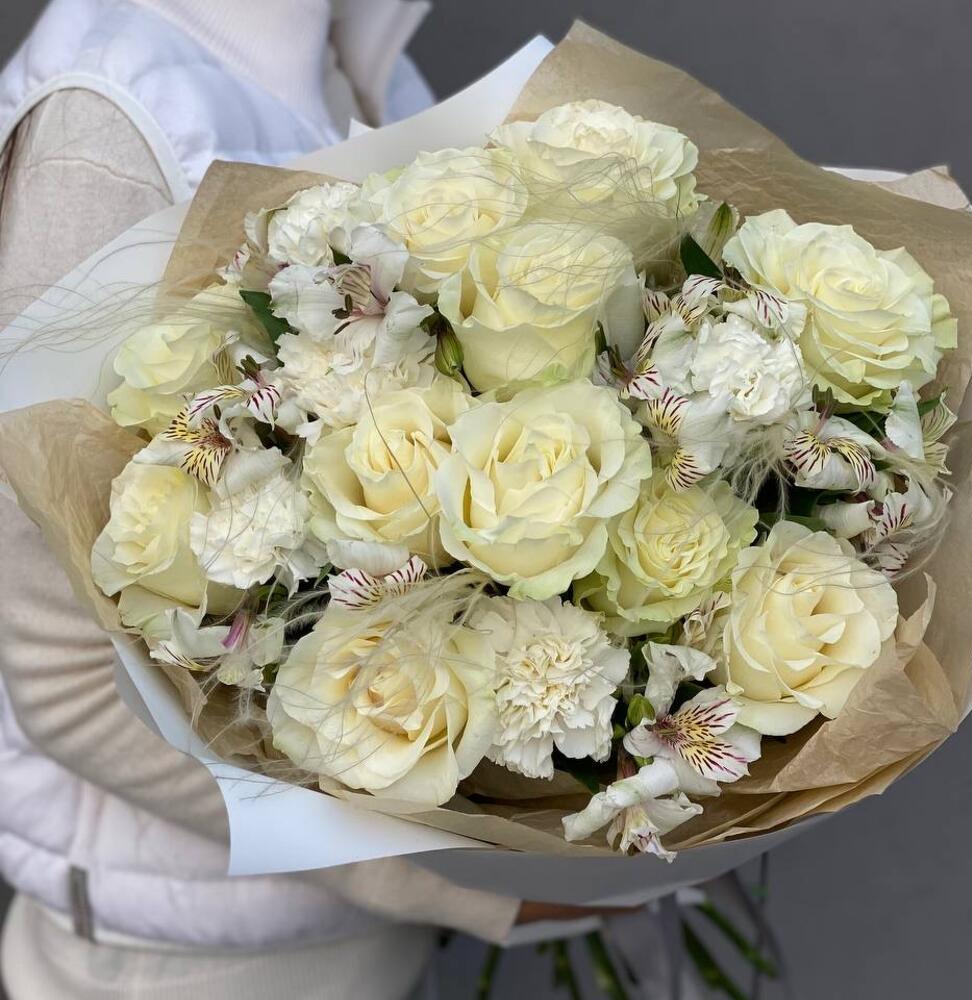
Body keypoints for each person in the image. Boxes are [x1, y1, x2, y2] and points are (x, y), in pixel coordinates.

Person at [0, 3, 607, 997]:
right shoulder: (105, 124)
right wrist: (456, 887)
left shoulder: (360, 64)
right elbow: (63, 677)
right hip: (188, 965)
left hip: (362, 945)